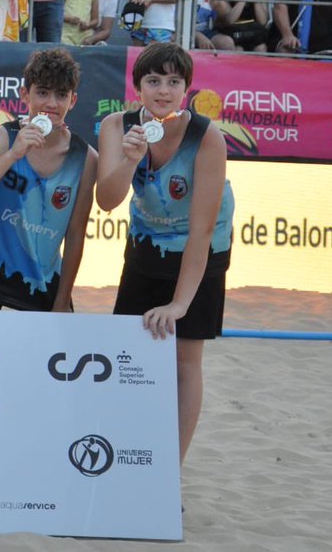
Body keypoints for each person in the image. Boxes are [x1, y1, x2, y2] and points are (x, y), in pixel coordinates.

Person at [97, 42, 234, 464]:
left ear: (186, 88)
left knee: (185, 359)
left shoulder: (206, 135)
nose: (163, 90)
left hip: (203, 246)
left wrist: (179, 303)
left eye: (174, 81)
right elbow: (107, 200)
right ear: (137, 86)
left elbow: (202, 228)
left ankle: (169, 469)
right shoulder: (117, 125)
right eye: (154, 80)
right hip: (147, 240)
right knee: (130, 352)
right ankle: (127, 453)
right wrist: (128, 160)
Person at [0, 47, 97, 311]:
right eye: (42, 92)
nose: (51, 104)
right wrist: (14, 154)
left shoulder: (85, 158)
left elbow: (76, 234)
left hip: (41, 285)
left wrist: (62, 301)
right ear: (24, 95)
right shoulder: (2, 138)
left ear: (73, 100)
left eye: (61, 95)